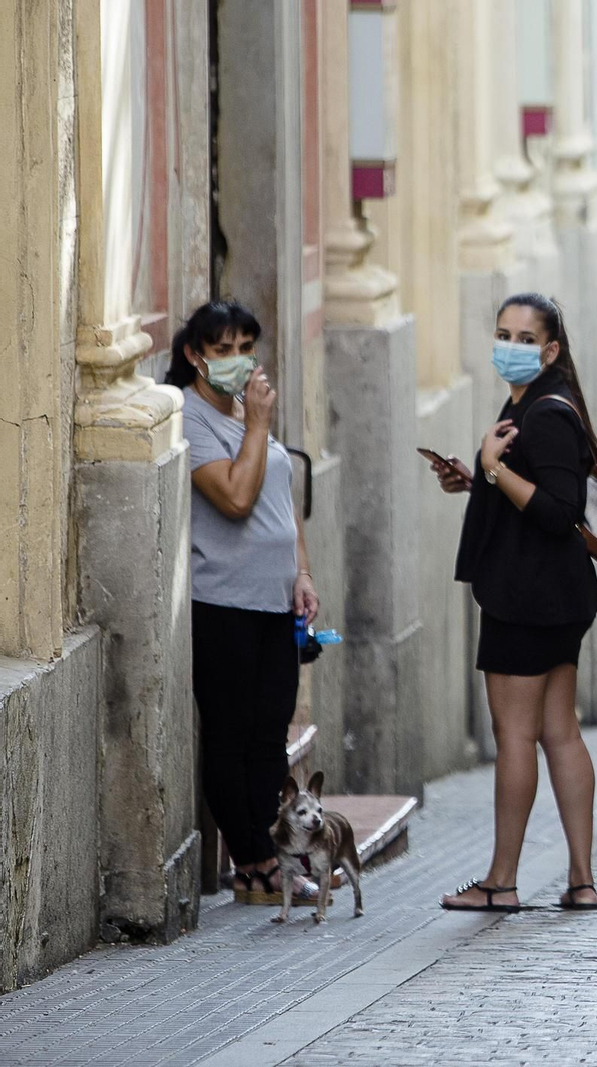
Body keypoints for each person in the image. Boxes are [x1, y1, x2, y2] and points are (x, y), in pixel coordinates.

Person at [430, 292, 597, 913]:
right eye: (503, 333)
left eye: (525, 338)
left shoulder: (547, 412)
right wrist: (478, 479)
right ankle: (581, 880)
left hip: (528, 595)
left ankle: (501, 882)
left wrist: (494, 471)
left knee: (516, 736)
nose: (510, 346)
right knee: (559, 731)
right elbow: (532, 489)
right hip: (551, 594)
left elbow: (560, 510)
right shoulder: (532, 403)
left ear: (551, 349)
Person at [166, 301, 321, 906]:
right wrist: (256, 425)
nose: (237, 361)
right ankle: (253, 864)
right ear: (194, 355)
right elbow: (234, 496)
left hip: (273, 603)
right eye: (223, 349)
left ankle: (270, 860)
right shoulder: (193, 415)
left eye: (244, 348)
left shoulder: (242, 411)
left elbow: (280, 496)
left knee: (268, 736)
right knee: (230, 735)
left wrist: (301, 573)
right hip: (222, 602)